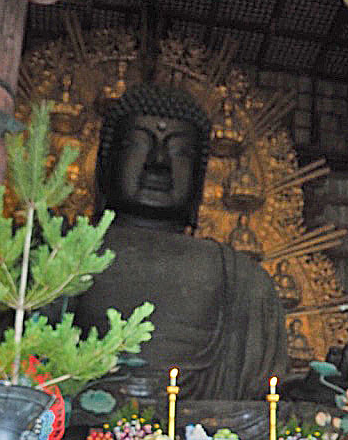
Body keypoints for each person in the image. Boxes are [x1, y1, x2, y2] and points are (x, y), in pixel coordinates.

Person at [73, 83, 288, 401]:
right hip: (82, 419)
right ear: (105, 164)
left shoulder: (243, 279)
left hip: (209, 426)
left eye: (180, 152)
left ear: (199, 178)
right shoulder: (61, 256)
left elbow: (267, 396)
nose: (158, 162)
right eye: (138, 144)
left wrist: (316, 389)